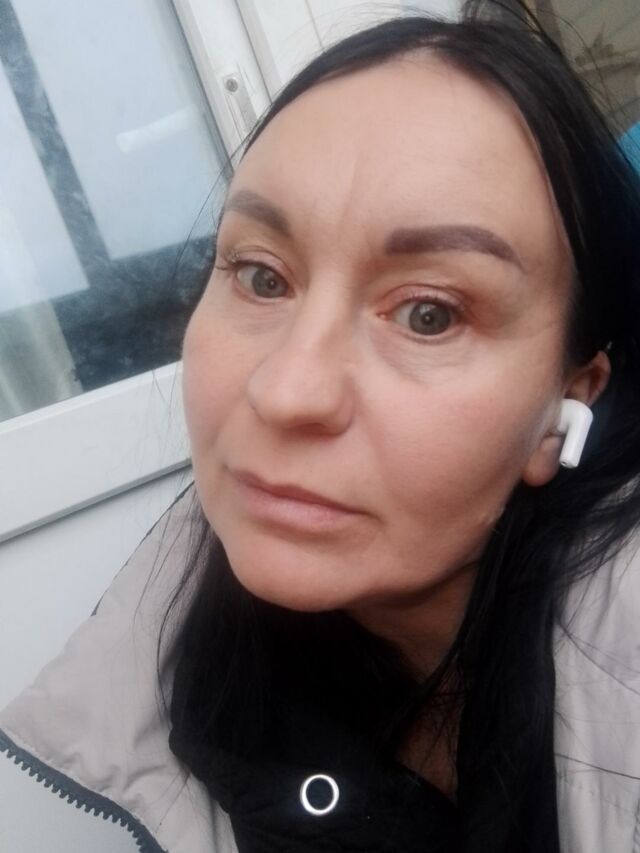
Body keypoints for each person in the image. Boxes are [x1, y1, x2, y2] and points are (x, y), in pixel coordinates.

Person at [3, 3, 640, 851]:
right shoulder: (173, 669)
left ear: (568, 405)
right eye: (261, 276)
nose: (285, 391)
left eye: (427, 313)